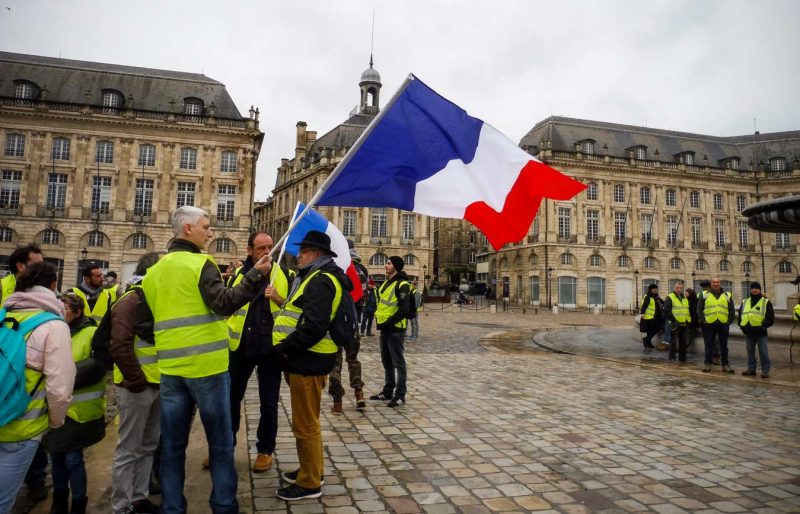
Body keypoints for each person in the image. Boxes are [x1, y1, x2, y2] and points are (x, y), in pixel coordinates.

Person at [141, 206, 271, 514]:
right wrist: (255, 276)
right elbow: (223, 304)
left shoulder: (154, 272)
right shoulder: (201, 264)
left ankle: (172, 507)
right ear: (188, 229)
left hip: (171, 369)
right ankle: (223, 505)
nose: (210, 232)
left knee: (172, 447)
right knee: (221, 444)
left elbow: (145, 324)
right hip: (207, 368)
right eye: (205, 226)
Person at [272, 230, 344, 501]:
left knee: (305, 425)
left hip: (308, 359)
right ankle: (310, 469)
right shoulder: (313, 277)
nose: (299, 254)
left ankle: (310, 482)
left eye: (305, 250)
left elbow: (314, 326)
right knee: (306, 421)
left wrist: (284, 349)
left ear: (319, 254)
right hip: (306, 358)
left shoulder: (321, 280)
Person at [0, 262, 75, 512]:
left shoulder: (3, 315)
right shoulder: (53, 326)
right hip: (23, 427)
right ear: (53, 285)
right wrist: (54, 422)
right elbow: (60, 388)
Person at [225, 232, 290, 473]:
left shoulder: (282, 274)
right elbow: (228, 304)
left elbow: (291, 309)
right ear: (250, 250)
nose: (267, 251)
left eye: (271, 247)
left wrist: (278, 298)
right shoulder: (241, 275)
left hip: (269, 346)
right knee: (231, 399)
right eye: (261, 247)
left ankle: (265, 450)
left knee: (269, 403)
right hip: (240, 346)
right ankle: (225, 446)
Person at [43, 293, 107, 514]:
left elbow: (99, 366)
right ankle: (59, 501)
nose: (60, 313)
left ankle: (78, 502)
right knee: (57, 457)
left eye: (65, 309)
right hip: (56, 408)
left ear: (78, 312)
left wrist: (63, 378)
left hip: (79, 411)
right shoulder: (54, 330)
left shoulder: (91, 333)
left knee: (72, 459)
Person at [110, 252, 162, 514]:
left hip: (157, 384)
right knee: (128, 449)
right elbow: (119, 345)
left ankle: (139, 498)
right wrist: (136, 379)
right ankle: (121, 506)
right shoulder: (130, 299)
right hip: (136, 386)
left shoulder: (156, 299)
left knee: (148, 447)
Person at [328, 241, 366, 415]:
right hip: (352, 322)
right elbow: (361, 295)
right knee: (353, 359)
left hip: (335, 323)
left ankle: (337, 402)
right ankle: (359, 393)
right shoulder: (360, 271)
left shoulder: (333, 272)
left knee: (335, 364)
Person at [370, 255, 411, 408]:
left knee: (398, 362)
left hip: (395, 329)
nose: (385, 265)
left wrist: (388, 322)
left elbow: (404, 310)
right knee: (387, 361)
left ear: (396, 266)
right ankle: (388, 391)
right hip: (385, 328)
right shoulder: (387, 283)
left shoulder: (402, 285)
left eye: (388, 263)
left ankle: (400, 395)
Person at [697, 277, 735, 373]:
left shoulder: (727, 295)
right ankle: (707, 364)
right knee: (708, 344)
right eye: (714, 282)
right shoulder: (704, 294)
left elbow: (732, 309)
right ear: (711, 284)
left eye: (717, 282)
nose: (716, 284)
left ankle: (725, 365)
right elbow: (699, 309)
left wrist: (728, 321)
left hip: (723, 323)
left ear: (720, 283)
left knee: (724, 345)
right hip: (709, 323)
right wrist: (704, 320)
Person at [738, 282, 774, 379]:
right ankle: (751, 369)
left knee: (763, 352)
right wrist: (742, 326)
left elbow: (770, 318)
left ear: (760, 290)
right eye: (752, 288)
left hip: (760, 332)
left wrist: (763, 326)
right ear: (750, 290)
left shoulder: (766, 302)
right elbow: (740, 315)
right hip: (748, 332)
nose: (754, 290)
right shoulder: (745, 301)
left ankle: (765, 371)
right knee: (750, 352)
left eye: (756, 288)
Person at [663, 282, 690, 362]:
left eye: (681, 288)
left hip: (684, 323)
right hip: (675, 323)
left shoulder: (684, 298)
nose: (679, 289)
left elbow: (686, 310)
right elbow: (667, 310)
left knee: (683, 342)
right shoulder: (670, 297)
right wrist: (673, 319)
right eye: (677, 288)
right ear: (674, 288)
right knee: (673, 342)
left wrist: (688, 320)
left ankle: (682, 358)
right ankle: (672, 358)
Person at [699, 279, 721, 364]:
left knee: (710, 340)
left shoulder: (703, 294)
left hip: (709, 321)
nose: (704, 289)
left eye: (705, 287)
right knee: (711, 340)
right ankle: (712, 357)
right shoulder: (704, 294)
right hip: (708, 320)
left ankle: (713, 356)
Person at [639, 284, 662, 351]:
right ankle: (646, 339)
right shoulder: (648, 296)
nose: (655, 290)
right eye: (653, 289)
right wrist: (642, 313)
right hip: (649, 317)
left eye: (656, 288)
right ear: (650, 289)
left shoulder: (655, 296)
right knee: (657, 329)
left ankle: (649, 343)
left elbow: (660, 303)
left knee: (650, 331)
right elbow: (644, 306)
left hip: (654, 317)